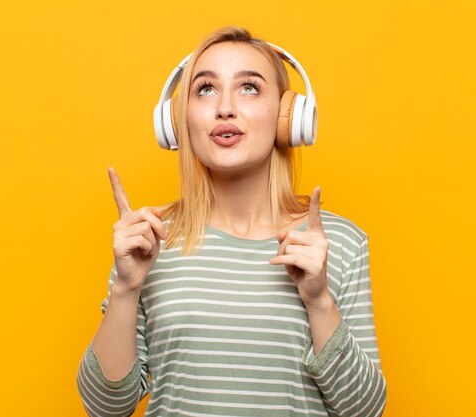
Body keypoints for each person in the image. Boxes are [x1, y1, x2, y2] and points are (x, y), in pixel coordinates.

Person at [76, 26, 387, 417]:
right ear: (177, 120)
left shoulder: (339, 242)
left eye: (249, 88)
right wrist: (126, 287)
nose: (225, 107)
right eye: (205, 89)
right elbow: (105, 408)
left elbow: (365, 410)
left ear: (288, 116)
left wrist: (318, 300)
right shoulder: (148, 239)